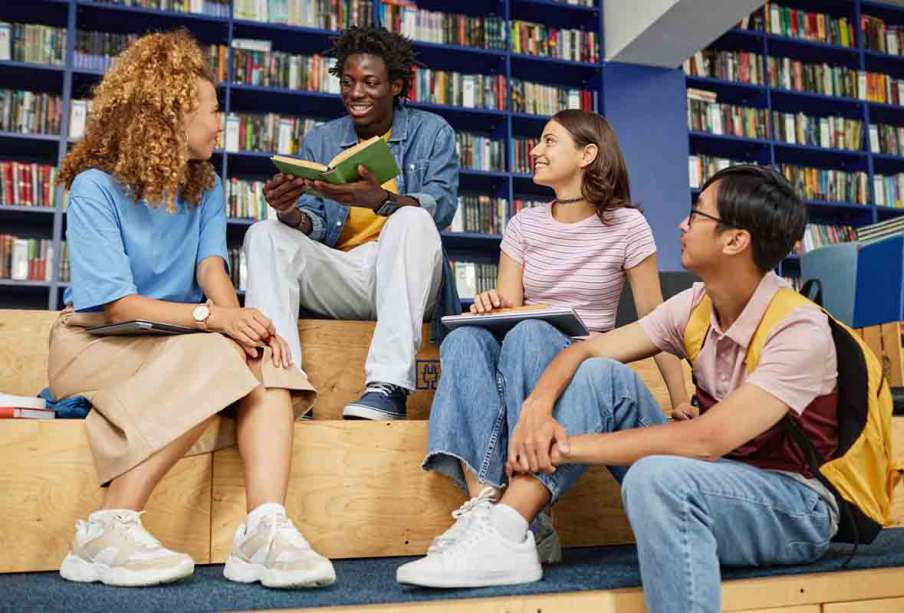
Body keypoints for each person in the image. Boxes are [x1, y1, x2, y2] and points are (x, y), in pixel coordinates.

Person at [398, 165, 841, 610]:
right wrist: (536, 410)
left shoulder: (798, 327)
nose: (681, 224)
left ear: (734, 240)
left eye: (696, 214)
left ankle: (507, 528)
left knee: (658, 476)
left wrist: (562, 446)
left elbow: (708, 440)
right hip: (711, 478)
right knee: (601, 377)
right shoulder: (695, 305)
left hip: (792, 505)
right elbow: (583, 353)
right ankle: (508, 530)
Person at [52, 30, 335, 589]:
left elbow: (211, 271)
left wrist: (243, 324)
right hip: (97, 342)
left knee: (266, 359)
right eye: (211, 110)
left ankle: (265, 530)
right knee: (216, 358)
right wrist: (216, 321)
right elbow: (113, 306)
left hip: (177, 339)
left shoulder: (206, 186)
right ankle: (106, 529)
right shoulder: (93, 187)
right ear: (170, 116)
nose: (218, 123)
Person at [416, 110, 691, 571]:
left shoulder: (627, 226)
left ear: (587, 155)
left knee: (530, 332)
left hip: (578, 361)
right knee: (462, 341)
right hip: (519, 347)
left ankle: (528, 504)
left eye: (548, 141)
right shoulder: (523, 225)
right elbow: (509, 303)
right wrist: (489, 304)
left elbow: (654, 317)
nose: (535, 150)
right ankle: (488, 507)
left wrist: (680, 395)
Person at [243, 25, 460, 420]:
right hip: (344, 274)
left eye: (370, 82)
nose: (356, 93)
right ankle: (282, 383)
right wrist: (290, 211)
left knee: (412, 218)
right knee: (263, 233)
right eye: (347, 81)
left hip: (405, 279)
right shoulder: (322, 139)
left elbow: (441, 208)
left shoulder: (431, 133)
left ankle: (388, 386)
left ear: (396, 85)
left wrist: (381, 201)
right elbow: (318, 225)